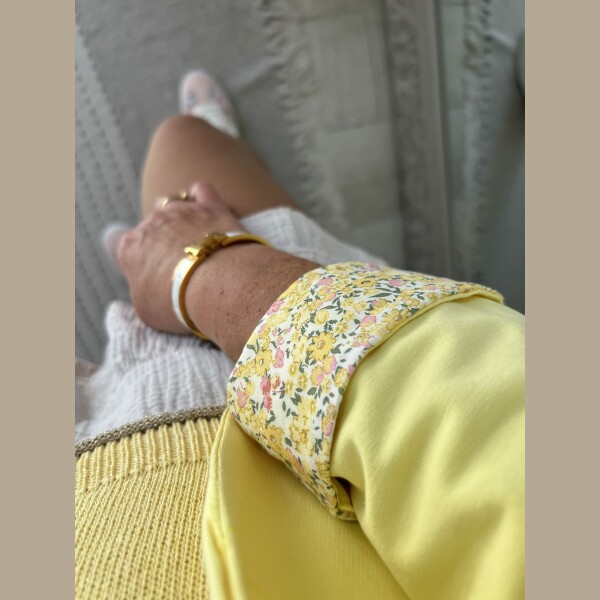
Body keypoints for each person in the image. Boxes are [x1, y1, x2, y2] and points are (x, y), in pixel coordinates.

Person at [75, 72, 525, 600]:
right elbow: (483, 426)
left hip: (116, 441)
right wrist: (208, 268)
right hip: (311, 371)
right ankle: (160, 233)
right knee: (183, 143)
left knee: (173, 176)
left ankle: (144, 252)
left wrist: (185, 269)